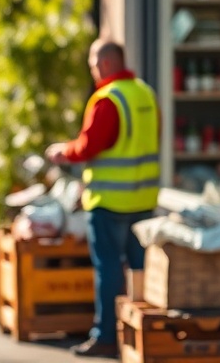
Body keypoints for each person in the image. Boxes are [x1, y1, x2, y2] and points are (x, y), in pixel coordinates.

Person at [45, 40, 160, 359]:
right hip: (144, 199)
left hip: (110, 202)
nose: (93, 72)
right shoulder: (145, 94)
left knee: (109, 270)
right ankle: (145, 335)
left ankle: (107, 336)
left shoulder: (108, 98)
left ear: (106, 63)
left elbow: (89, 145)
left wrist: (62, 152)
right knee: (141, 271)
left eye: (93, 65)